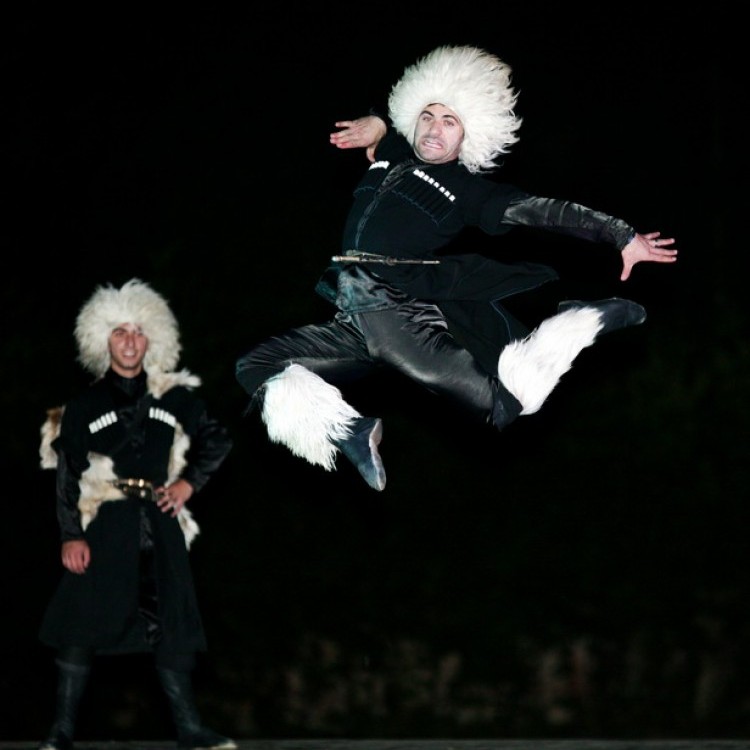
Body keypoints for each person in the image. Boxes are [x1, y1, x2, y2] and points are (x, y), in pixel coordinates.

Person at [235, 44, 677, 492]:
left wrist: (620, 234)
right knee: (256, 366)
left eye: (450, 122)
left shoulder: (467, 191)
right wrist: (377, 123)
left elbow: (544, 211)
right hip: (353, 312)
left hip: (394, 310)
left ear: (469, 135)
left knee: (506, 406)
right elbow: (386, 122)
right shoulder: (395, 149)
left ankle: (582, 320)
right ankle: (349, 432)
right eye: (428, 116)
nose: (434, 130)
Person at [37, 279, 236, 750]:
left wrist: (188, 483)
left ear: (153, 339)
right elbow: (66, 474)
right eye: (119, 332)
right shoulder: (84, 406)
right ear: (102, 340)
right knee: (80, 621)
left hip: (160, 523)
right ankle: (61, 731)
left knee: (173, 625)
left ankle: (189, 730)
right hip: (105, 524)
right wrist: (71, 534)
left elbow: (218, 439)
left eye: (139, 331)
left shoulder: (173, 397)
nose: (130, 341)